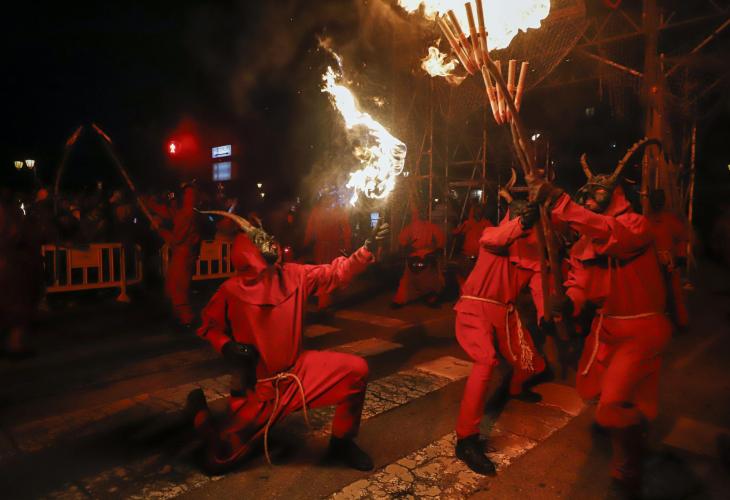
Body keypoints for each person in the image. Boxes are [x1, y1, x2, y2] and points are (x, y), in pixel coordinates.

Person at [186, 210, 389, 473]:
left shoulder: (294, 275)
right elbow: (208, 326)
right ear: (245, 250)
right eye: (258, 239)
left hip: (297, 373)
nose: (269, 243)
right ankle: (197, 408)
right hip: (259, 391)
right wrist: (227, 345)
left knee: (355, 371)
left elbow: (335, 273)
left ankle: (341, 442)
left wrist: (364, 251)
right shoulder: (231, 290)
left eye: (267, 237)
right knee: (216, 459)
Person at [529, 139, 671, 496]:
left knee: (611, 409)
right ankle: (629, 451)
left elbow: (612, 235)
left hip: (640, 331)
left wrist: (560, 202)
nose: (589, 200)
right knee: (605, 398)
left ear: (615, 194)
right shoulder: (588, 238)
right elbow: (582, 280)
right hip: (606, 330)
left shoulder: (635, 225)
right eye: (586, 195)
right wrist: (568, 303)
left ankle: (627, 468)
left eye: (596, 194)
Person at [452, 198, 547, 475]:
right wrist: (521, 223)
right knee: (485, 361)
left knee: (530, 359)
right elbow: (496, 238)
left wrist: (545, 315)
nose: (520, 216)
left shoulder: (533, 252)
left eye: (525, 214)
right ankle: (466, 439)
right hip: (476, 306)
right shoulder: (493, 233)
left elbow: (539, 286)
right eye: (516, 213)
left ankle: (516, 388)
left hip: (505, 312)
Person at [147, 182, 201, 329]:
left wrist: (160, 229)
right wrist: (151, 204)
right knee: (172, 285)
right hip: (182, 254)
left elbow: (176, 239)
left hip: (183, 254)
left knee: (178, 287)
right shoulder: (187, 212)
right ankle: (178, 316)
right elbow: (170, 213)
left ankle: (186, 319)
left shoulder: (187, 214)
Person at [647, 189, 690, 329]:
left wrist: (681, 256)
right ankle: (659, 323)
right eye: (654, 200)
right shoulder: (646, 220)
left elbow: (682, 238)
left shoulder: (670, 220)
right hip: (652, 262)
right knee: (655, 293)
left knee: (675, 292)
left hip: (670, 261)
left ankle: (681, 321)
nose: (656, 203)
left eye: (658, 200)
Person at [303, 193, 352, 310]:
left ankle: (333, 299)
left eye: (330, 199)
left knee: (334, 271)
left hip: (333, 246)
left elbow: (346, 228)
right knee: (323, 273)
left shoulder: (338, 211)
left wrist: (347, 243)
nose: (328, 201)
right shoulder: (317, 211)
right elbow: (310, 228)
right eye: (326, 199)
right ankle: (324, 301)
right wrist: (306, 243)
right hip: (321, 247)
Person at [392, 204, 446, 308]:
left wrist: (438, 249)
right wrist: (406, 246)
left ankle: (432, 296)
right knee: (407, 278)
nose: (422, 214)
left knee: (432, 277)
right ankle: (400, 299)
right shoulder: (411, 227)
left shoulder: (431, 226)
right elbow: (402, 238)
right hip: (414, 255)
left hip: (428, 255)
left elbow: (440, 238)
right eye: (420, 212)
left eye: (423, 212)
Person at [453, 203, 493, 290]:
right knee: (465, 276)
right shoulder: (467, 223)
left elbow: (493, 237)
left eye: (480, 210)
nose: (479, 212)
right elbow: (456, 233)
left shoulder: (487, 223)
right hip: (467, 255)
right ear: (474, 211)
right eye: (477, 210)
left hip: (482, 256)